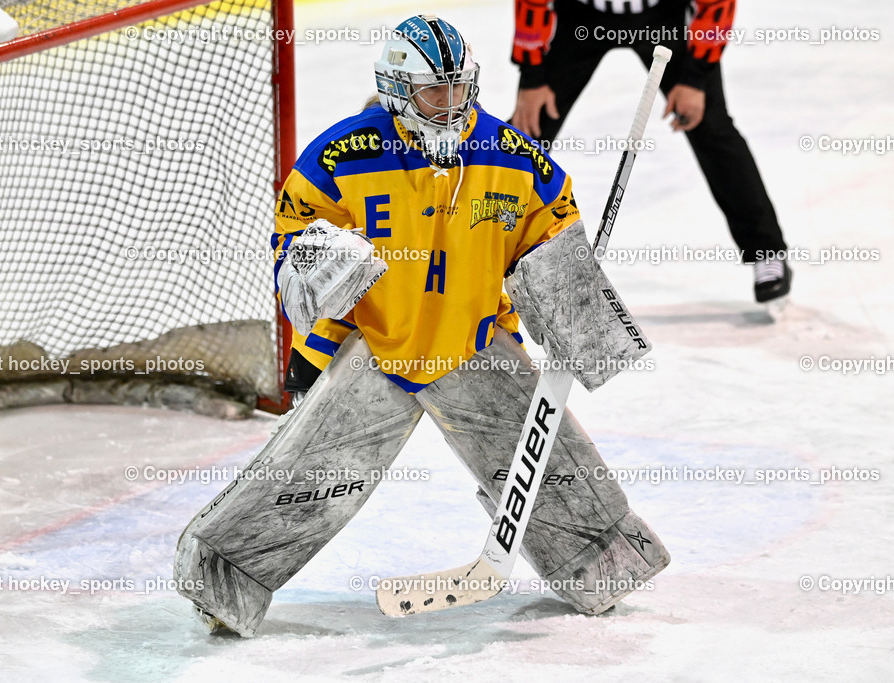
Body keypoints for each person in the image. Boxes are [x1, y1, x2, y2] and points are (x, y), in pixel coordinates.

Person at [174, 14, 669, 637]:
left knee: (546, 466)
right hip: (373, 346)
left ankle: (604, 566)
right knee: (307, 481)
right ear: (397, 89)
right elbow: (292, 236)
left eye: (460, 88)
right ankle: (223, 578)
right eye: (435, 91)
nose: (451, 103)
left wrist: (574, 300)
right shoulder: (338, 155)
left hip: (475, 341)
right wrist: (316, 278)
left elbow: (554, 228)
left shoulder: (510, 154)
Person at [511, 0, 792, 303]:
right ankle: (482, 240)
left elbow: (716, 4)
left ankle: (765, 250)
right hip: (581, 16)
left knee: (712, 128)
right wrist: (532, 76)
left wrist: (695, 77)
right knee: (526, 132)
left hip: (661, 16)